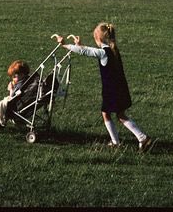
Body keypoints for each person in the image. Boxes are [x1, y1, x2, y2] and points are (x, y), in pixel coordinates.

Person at [56, 23, 153, 151]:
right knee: (118, 114)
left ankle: (137, 139)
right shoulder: (113, 50)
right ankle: (131, 140)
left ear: (98, 38)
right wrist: (79, 45)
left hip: (112, 91)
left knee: (109, 114)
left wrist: (64, 44)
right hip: (121, 88)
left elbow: (86, 51)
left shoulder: (103, 52)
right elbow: (87, 50)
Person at [0, 59, 31, 127]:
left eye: (15, 77)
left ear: (22, 74)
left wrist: (11, 89)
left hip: (16, 104)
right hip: (23, 101)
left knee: (0, 104)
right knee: (1, 104)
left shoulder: (21, 85)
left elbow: (13, 96)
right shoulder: (29, 80)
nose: (13, 79)